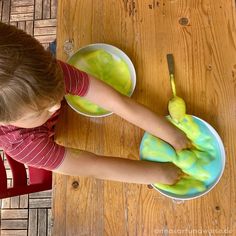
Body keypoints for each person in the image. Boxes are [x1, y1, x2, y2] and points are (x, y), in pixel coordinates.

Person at [0, 22, 190, 186]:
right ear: (6, 121)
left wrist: (172, 134)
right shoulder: (24, 146)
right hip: (56, 134)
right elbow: (94, 167)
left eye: (56, 93)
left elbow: (118, 102)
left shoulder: (45, 74)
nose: (56, 106)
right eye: (40, 110)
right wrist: (159, 174)